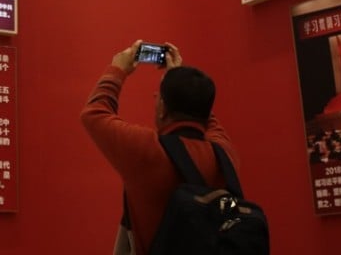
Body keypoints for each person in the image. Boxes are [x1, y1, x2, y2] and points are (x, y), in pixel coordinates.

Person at [80, 41, 237, 255]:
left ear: (162, 108)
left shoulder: (148, 151)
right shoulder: (223, 153)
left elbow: (94, 113)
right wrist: (181, 79)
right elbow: (205, 114)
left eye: (158, 98)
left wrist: (117, 69)